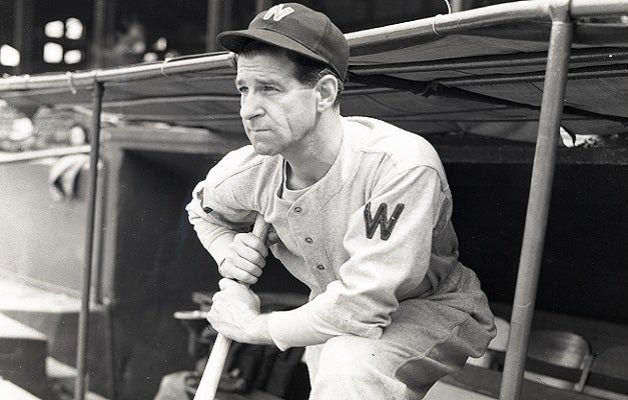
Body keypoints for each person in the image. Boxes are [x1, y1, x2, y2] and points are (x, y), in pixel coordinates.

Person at [186, 3, 496, 399]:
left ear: (325, 93)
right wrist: (227, 250)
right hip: (329, 310)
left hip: (429, 308)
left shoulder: (401, 164)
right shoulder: (250, 170)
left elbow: (362, 304)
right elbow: (202, 212)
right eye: (243, 89)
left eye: (269, 89)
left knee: (348, 366)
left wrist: (254, 328)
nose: (249, 110)